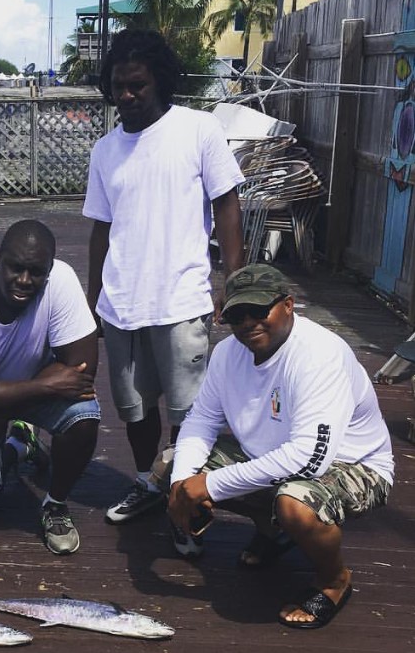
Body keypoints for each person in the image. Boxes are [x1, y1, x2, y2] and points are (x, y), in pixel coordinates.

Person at [166, 265, 394, 629]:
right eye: (237, 314)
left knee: (295, 505)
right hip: (274, 456)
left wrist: (207, 486)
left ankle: (334, 581)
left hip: (353, 465)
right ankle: (274, 532)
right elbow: (202, 419)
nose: (248, 322)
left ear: (288, 305)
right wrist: (182, 483)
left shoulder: (320, 354)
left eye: (259, 310)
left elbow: (309, 458)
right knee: (170, 464)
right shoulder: (227, 354)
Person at [83, 28, 246, 528]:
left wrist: (233, 282)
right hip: (121, 304)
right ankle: (147, 482)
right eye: (119, 87)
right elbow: (100, 232)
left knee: (187, 414)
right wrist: (92, 305)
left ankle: (183, 495)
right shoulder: (105, 150)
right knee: (134, 412)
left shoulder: (199, 130)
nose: (127, 96)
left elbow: (227, 206)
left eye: (138, 85)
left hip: (181, 299)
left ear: (160, 83)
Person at [0, 219, 100, 555]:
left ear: (49, 270)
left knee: (84, 412)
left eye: (36, 272)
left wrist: (1, 413)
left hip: (28, 387)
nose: (24, 280)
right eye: (15, 268)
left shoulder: (62, 281)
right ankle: (18, 446)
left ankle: (54, 505)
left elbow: (82, 368)